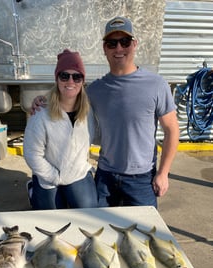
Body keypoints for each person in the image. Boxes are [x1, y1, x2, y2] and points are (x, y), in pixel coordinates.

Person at [31, 17, 180, 209]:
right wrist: (42, 100)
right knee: (97, 231)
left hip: (141, 179)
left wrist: (163, 173)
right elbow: (66, 96)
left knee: (143, 234)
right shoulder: (95, 90)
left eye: (124, 42)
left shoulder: (156, 85)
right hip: (105, 177)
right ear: (104, 48)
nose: (119, 48)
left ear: (134, 44)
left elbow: (172, 130)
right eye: (112, 43)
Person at [24, 49, 98, 210]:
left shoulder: (88, 111)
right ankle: (34, 189)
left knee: (90, 213)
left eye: (76, 76)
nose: (70, 81)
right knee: (50, 220)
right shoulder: (41, 113)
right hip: (49, 176)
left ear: (82, 81)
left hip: (77, 172)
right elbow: (31, 153)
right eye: (64, 75)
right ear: (57, 79)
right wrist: (54, 177)